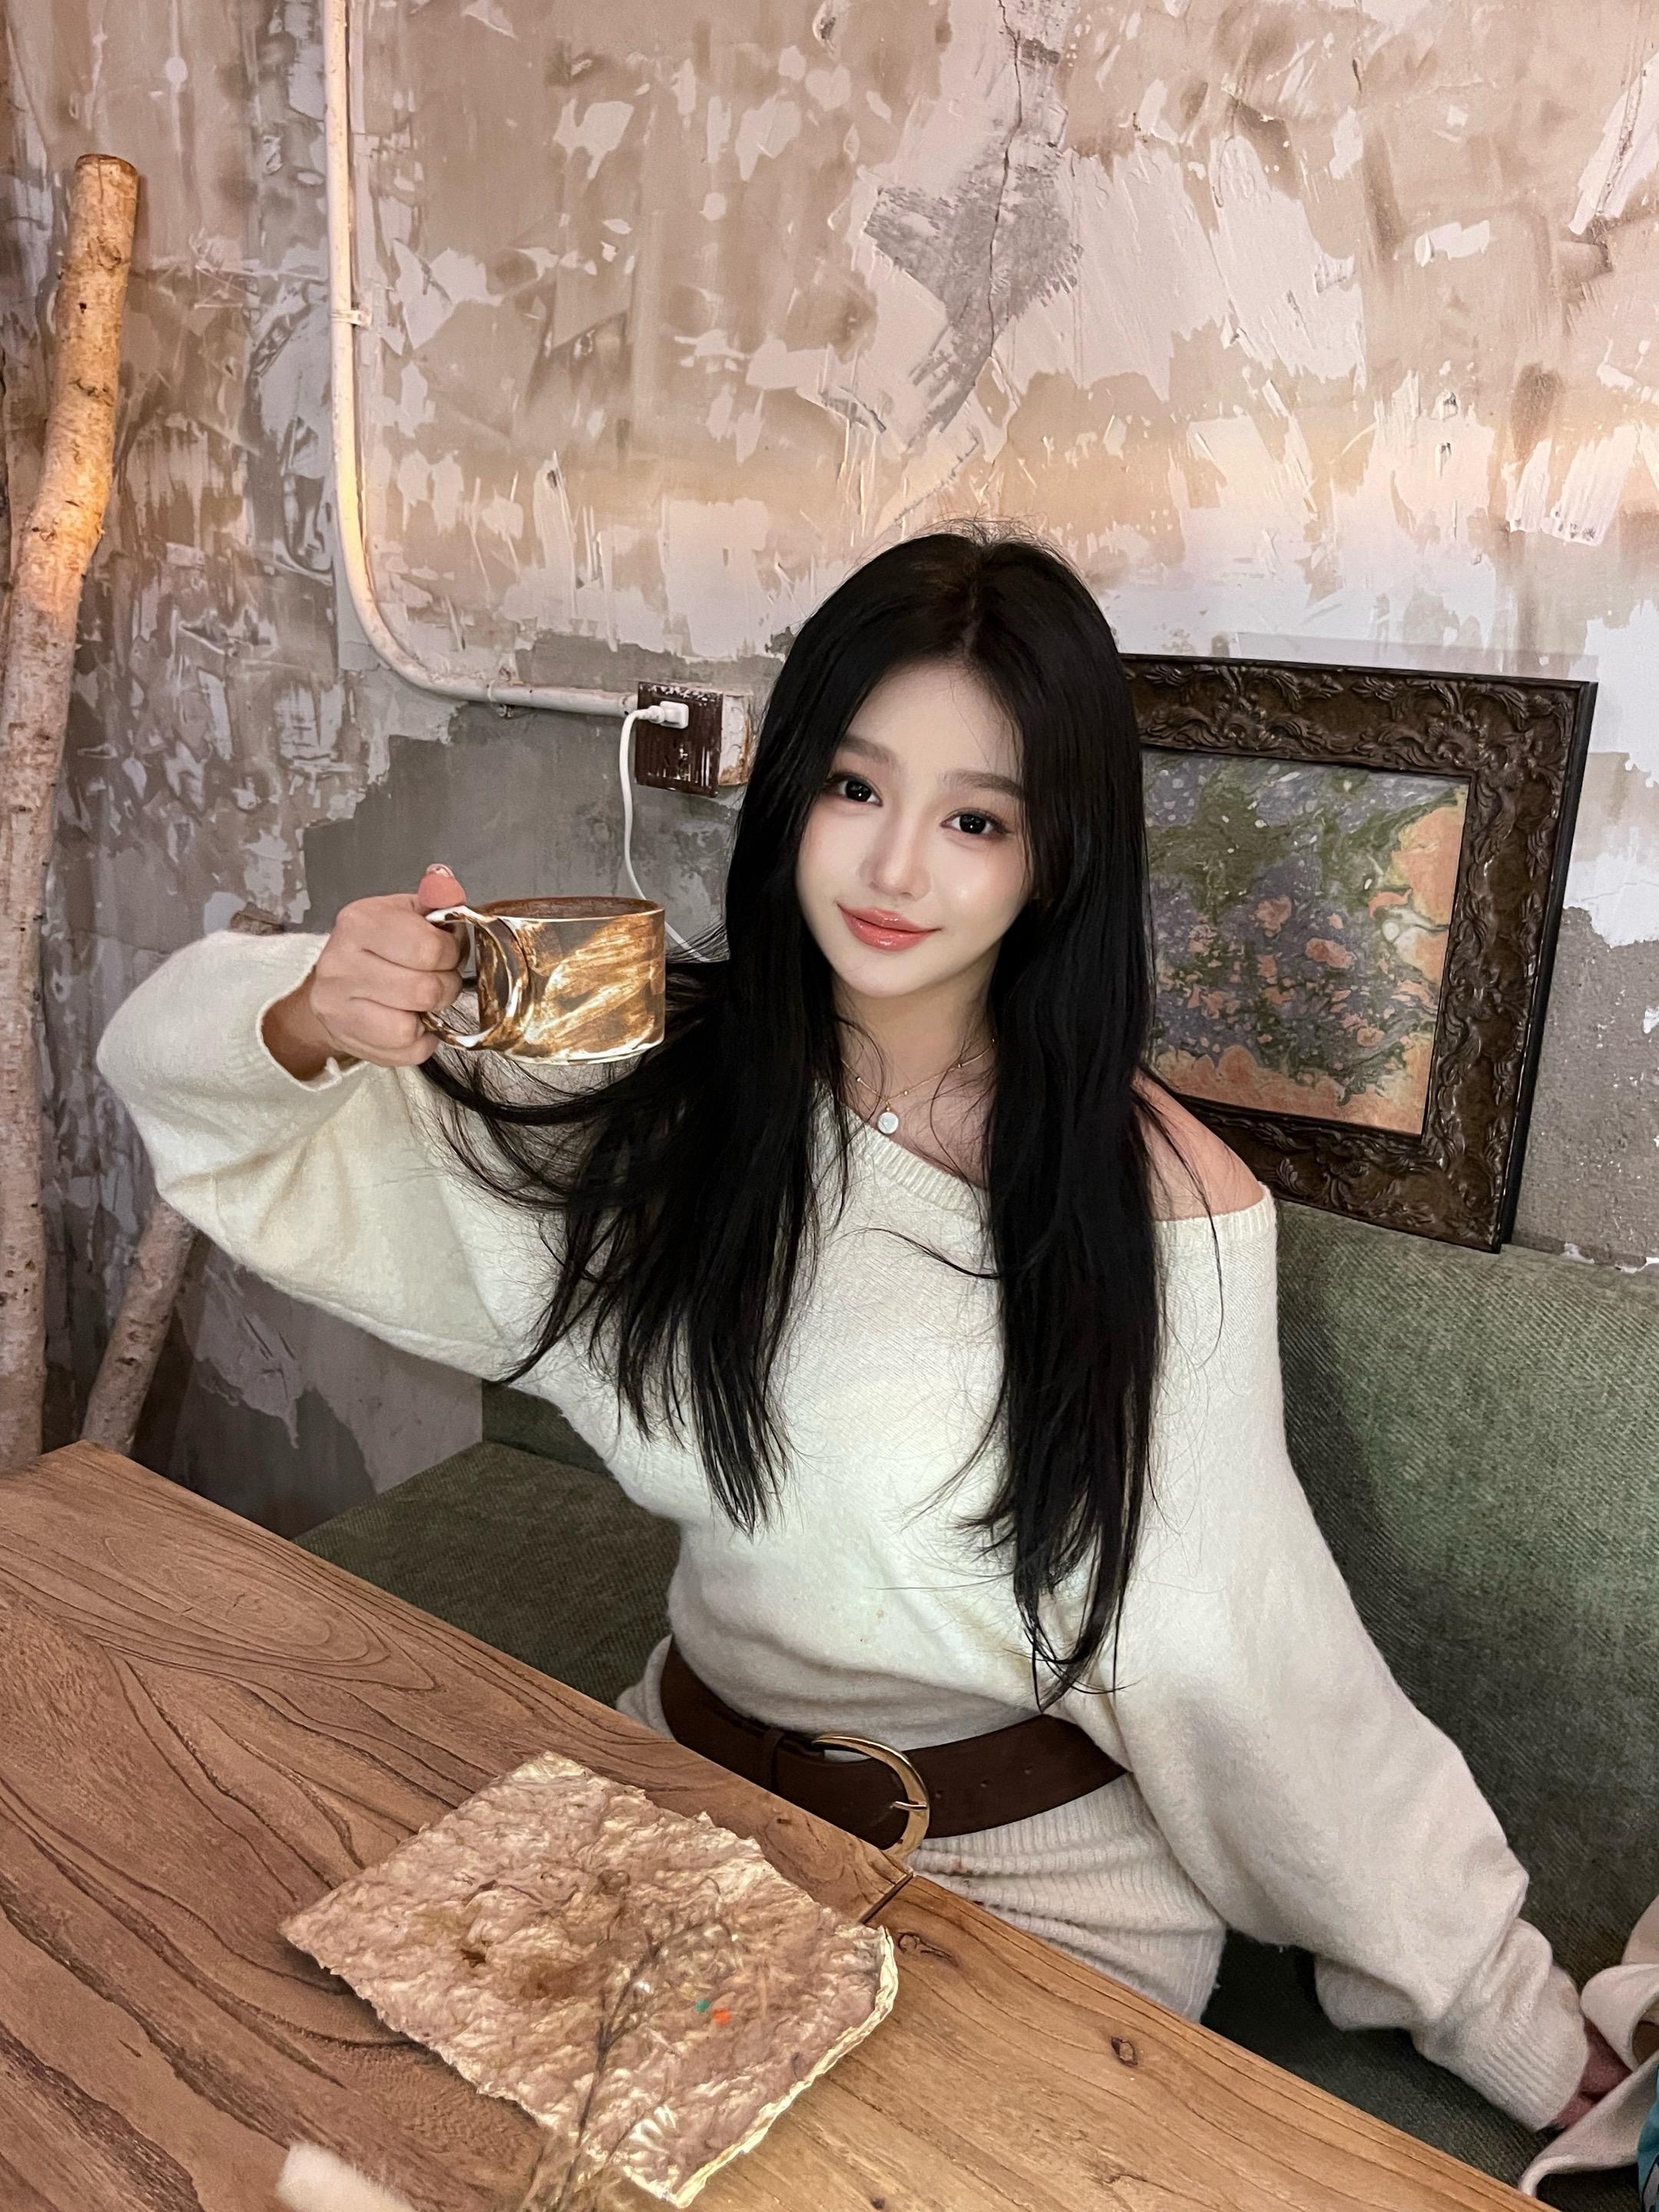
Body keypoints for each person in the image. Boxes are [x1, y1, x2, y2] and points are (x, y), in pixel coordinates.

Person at [98, 524, 1624, 2135]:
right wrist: (310, 1012)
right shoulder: (654, 1079)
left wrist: (1503, 2013)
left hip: (1017, 1887)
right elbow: (211, 1101)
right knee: (298, 2098)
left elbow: (1251, 1661)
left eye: (975, 819)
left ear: (1055, 858)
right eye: (853, 787)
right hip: (679, 1793)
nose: (896, 871)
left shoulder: (1156, 1207)